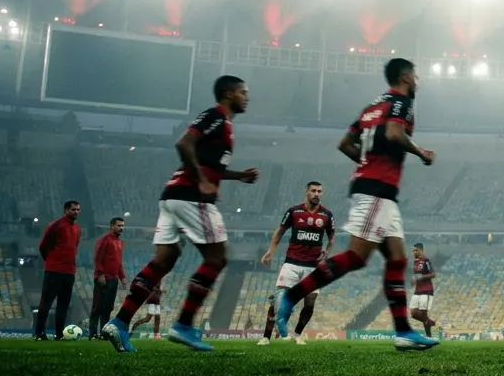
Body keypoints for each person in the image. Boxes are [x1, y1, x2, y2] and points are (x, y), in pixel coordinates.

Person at [274, 58, 439, 351]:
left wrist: (365, 164)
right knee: (356, 257)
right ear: (405, 77)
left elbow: (345, 143)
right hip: (376, 188)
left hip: (380, 190)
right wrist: (421, 153)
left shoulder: (370, 108)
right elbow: (393, 133)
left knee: (398, 259)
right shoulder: (401, 103)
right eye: (415, 75)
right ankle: (292, 295)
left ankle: (403, 331)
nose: (418, 81)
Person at [103, 75, 260, 353]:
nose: (247, 97)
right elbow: (184, 143)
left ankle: (120, 322)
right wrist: (201, 180)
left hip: (173, 198)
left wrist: (238, 176)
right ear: (227, 94)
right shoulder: (215, 116)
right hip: (190, 196)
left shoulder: (224, 126)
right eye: (242, 92)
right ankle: (184, 325)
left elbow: (209, 163)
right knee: (217, 257)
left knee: (164, 261)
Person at [259, 182, 336, 345]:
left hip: (313, 267)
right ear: (306, 192)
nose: (317, 194)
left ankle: (297, 334)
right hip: (292, 264)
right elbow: (280, 231)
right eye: (313, 191)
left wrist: (326, 253)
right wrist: (271, 251)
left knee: (310, 303)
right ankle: (266, 337)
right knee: (278, 302)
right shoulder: (294, 211)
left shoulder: (327, 215)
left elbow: (332, 239)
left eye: (320, 191)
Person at [35, 201, 82, 341]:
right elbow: (43, 246)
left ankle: (59, 334)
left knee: (64, 304)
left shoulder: (78, 229)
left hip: (69, 272)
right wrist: (51, 261)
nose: (76, 212)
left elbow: (74, 247)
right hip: (54, 270)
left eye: (78, 210)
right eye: (73, 209)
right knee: (46, 302)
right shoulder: (56, 225)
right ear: (66, 210)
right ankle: (39, 333)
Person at [89, 217, 126, 340]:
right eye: (119, 225)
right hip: (103, 278)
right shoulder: (104, 240)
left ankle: (104, 333)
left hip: (114, 279)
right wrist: (100, 274)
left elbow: (119, 262)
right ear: (112, 226)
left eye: (122, 226)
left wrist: (122, 277)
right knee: (98, 307)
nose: (121, 228)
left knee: (108, 307)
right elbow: (98, 258)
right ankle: (93, 333)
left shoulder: (120, 242)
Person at [410, 243, 437, 337]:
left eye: (416, 250)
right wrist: (413, 281)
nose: (414, 252)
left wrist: (421, 277)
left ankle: (429, 336)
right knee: (413, 313)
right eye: (413, 250)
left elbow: (433, 274)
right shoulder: (415, 262)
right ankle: (429, 322)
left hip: (427, 290)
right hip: (417, 290)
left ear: (421, 250)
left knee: (423, 313)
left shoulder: (426, 261)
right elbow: (416, 276)